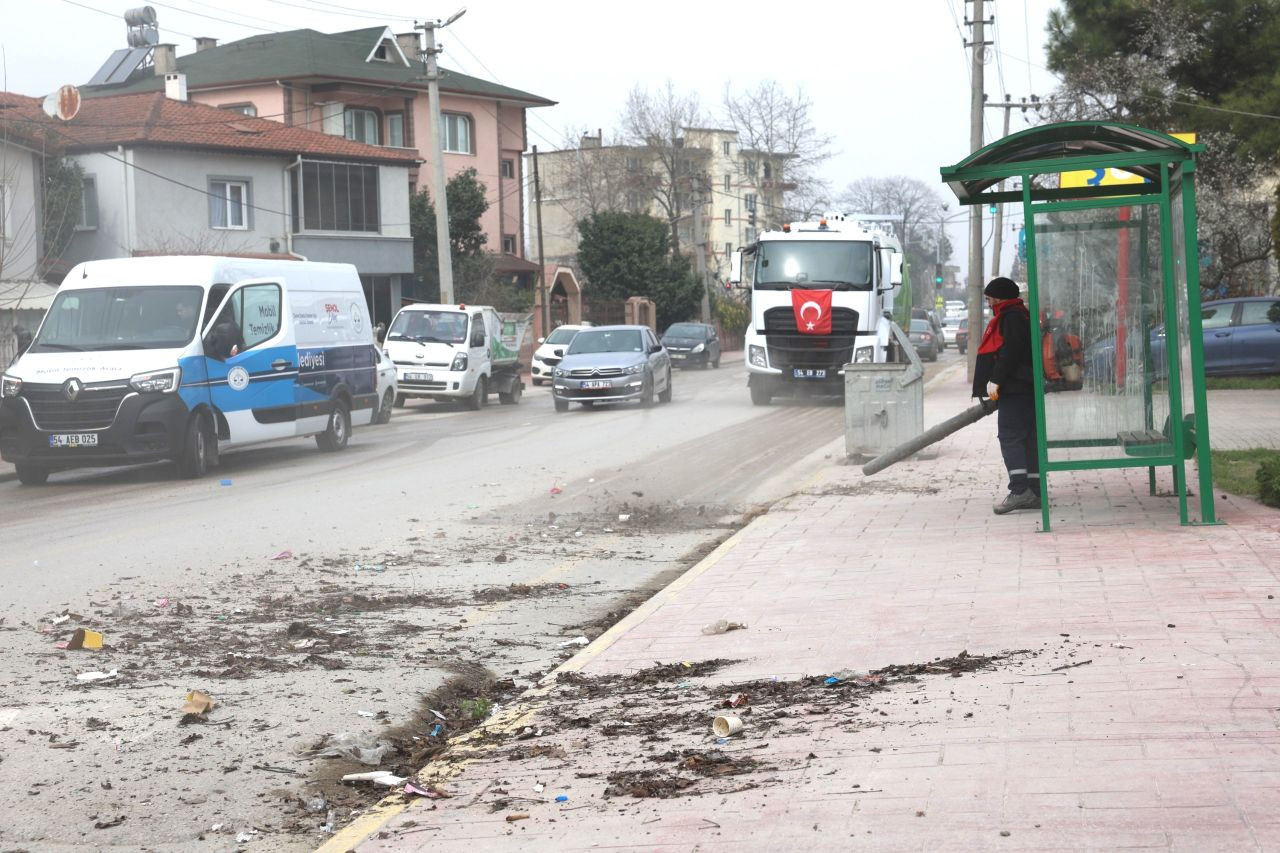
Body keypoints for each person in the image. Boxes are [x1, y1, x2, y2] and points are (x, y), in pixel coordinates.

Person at [973, 276, 1040, 514]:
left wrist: (996, 379)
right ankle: (1034, 490)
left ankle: (1020, 490)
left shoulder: (1010, 318)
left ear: (999, 298)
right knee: (1027, 438)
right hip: (1025, 387)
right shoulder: (1020, 314)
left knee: (1010, 437)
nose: (990, 304)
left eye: (990, 299)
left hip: (1016, 387)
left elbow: (1010, 352)